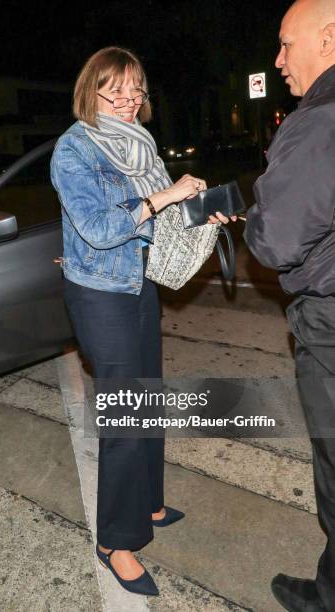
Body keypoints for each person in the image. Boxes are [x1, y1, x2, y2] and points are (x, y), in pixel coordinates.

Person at [51, 46, 231, 597]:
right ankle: (115, 540)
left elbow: (162, 214)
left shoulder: (140, 144)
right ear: (92, 92)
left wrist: (200, 208)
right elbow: (103, 229)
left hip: (139, 283)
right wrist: (161, 197)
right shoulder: (73, 150)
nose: (129, 102)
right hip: (101, 292)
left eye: (136, 91)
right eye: (116, 91)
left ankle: (147, 500)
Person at [244, 1, 335, 610]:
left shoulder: (319, 119)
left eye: (285, 44)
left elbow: (275, 238)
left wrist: (253, 213)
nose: (278, 61)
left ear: (329, 38)